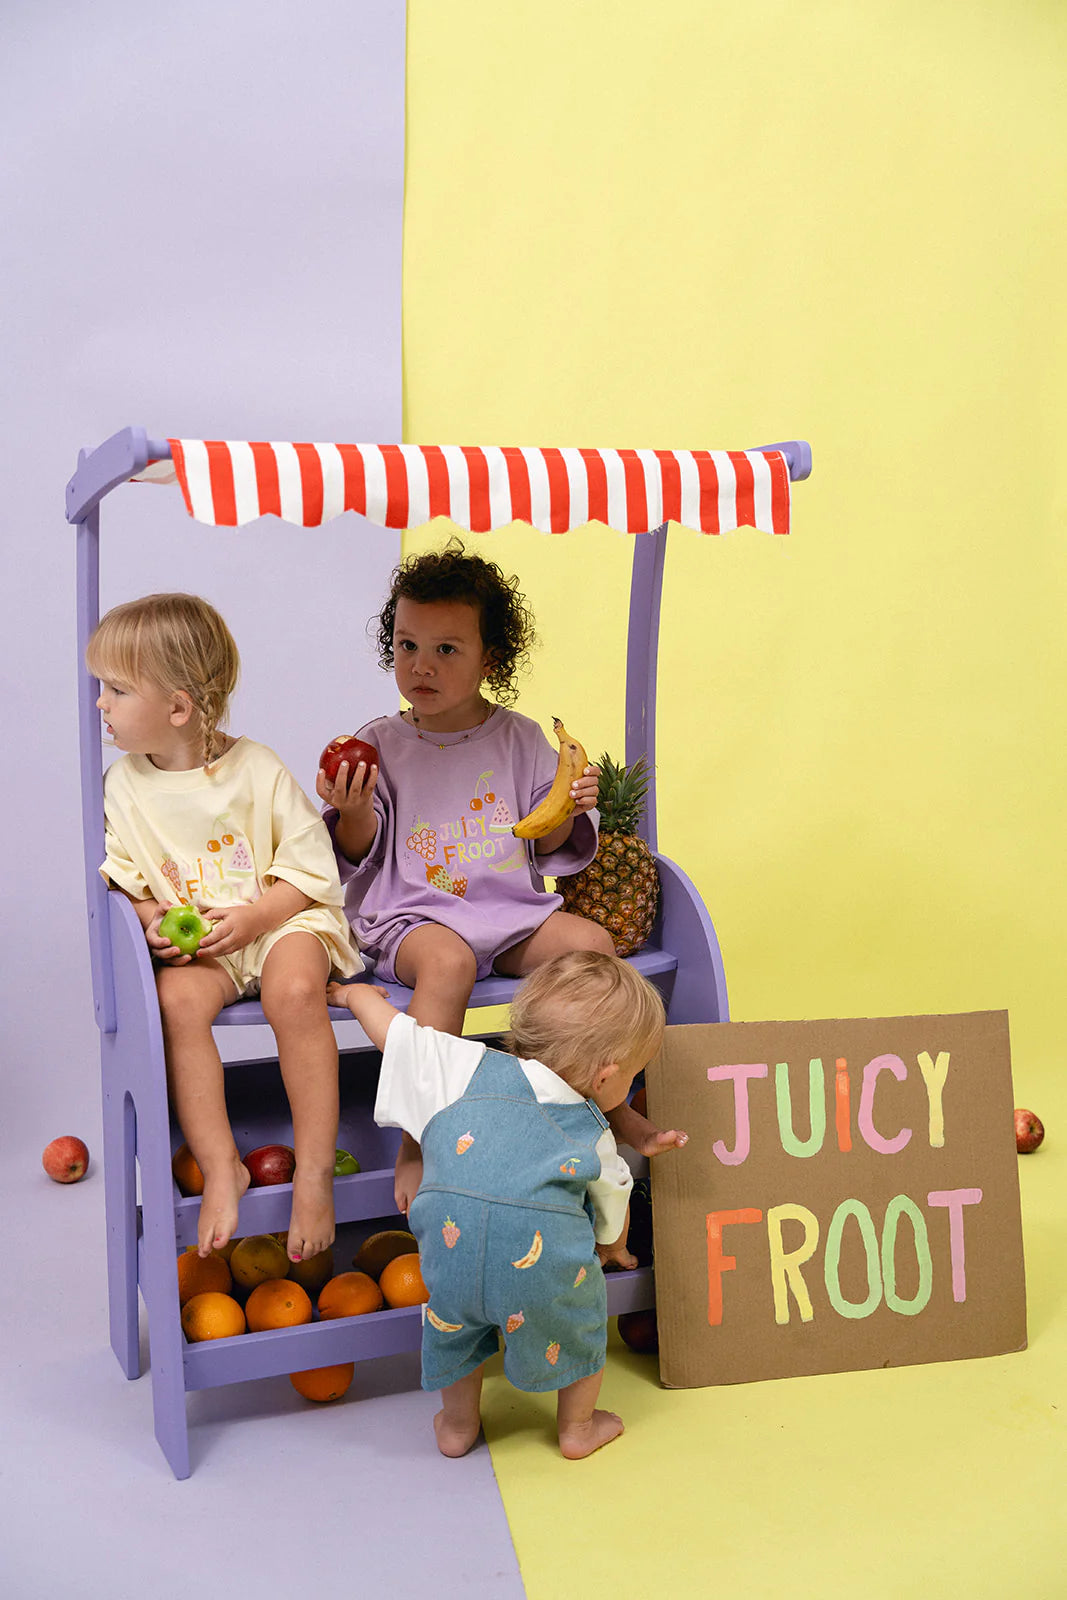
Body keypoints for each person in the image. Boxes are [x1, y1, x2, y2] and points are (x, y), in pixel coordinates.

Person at [318, 540, 684, 1214]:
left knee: (592, 948)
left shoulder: (518, 739)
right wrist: (351, 811)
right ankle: (421, 1136)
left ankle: (598, 1103)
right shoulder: (381, 744)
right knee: (450, 963)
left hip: (507, 910)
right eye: (406, 646)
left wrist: (571, 805)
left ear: (490, 658)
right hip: (413, 917)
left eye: (446, 650)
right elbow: (358, 850)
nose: (420, 666)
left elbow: (542, 843)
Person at [87, 593, 361, 1261]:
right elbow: (126, 883)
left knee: (293, 992)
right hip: (204, 944)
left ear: (177, 708)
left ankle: (315, 1173)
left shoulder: (256, 768)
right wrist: (155, 921)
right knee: (176, 1001)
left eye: (116, 690)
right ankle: (221, 1168)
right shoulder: (122, 785)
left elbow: (308, 871)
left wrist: (258, 917)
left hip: (279, 919)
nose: (101, 704)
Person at [328, 950, 667, 1459]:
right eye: (633, 1076)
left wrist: (353, 995)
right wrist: (612, 1248)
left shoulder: (462, 1067)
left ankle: (458, 1426)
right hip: (541, 1270)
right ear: (605, 1077)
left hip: (449, 1252)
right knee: (580, 1323)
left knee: (454, 1332)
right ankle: (577, 1427)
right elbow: (612, 1199)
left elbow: (396, 1036)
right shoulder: (591, 1128)